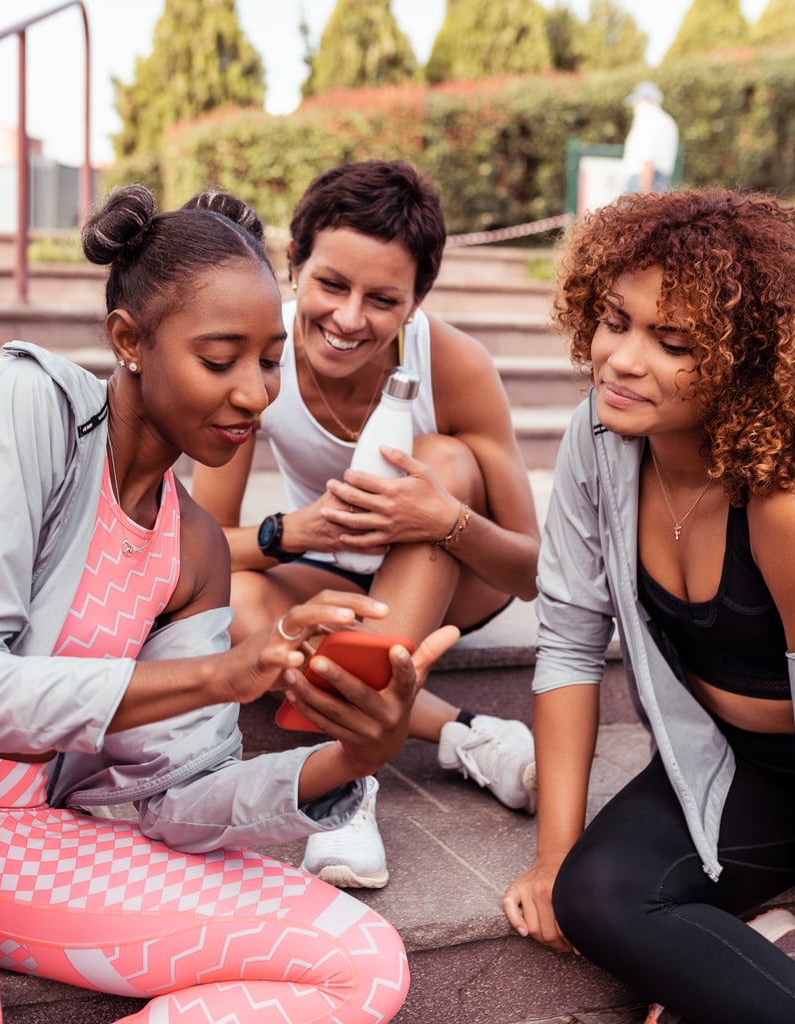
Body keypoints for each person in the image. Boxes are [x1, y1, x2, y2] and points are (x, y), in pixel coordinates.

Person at [0, 183, 460, 1024]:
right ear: (130, 340)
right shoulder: (30, 407)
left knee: (363, 964)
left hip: (20, 844)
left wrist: (354, 755)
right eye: (219, 359)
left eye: (270, 359)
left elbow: (179, 799)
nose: (255, 392)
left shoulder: (195, 545)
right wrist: (220, 674)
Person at [503, 187, 795, 1023]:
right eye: (614, 320)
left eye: (673, 342)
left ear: (749, 359)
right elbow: (566, 643)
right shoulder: (599, 443)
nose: (622, 360)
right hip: (753, 769)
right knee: (598, 896)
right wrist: (553, 856)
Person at [192, 159, 541, 889]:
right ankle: (464, 732)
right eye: (331, 285)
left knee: (442, 459)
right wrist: (293, 532)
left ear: (416, 301)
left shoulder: (455, 365)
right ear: (294, 265)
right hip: (331, 570)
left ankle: (347, 785)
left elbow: (533, 571)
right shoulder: (263, 355)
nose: (350, 318)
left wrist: (443, 520)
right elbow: (199, 550)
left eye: (382, 299)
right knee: (235, 604)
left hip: (454, 580)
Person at [621, 81, 678, 194]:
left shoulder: (647, 119)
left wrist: (644, 192)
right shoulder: (667, 121)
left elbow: (648, 159)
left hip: (643, 180)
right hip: (661, 182)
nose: (634, 106)